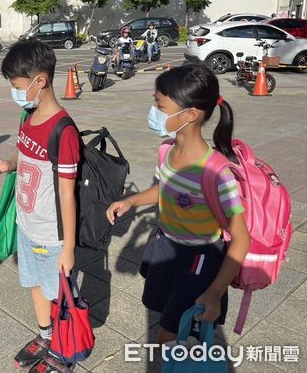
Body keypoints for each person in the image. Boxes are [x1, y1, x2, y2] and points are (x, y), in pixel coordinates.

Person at [107, 65, 250, 345]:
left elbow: (241, 239)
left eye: (159, 104)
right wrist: (131, 201)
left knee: (172, 334)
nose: (154, 110)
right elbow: (164, 188)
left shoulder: (217, 173)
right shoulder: (167, 150)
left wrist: (215, 291)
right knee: (165, 315)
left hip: (200, 258)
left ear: (190, 114)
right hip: (166, 245)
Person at [0, 39, 80, 373]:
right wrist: (6, 164)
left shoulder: (63, 130)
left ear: (40, 81)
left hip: (50, 233)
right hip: (27, 224)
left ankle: (63, 349)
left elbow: (67, 194)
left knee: (59, 294)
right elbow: (23, 154)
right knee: (35, 285)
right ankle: (45, 335)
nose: (15, 92)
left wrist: (67, 247)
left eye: (17, 86)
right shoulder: (27, 115)